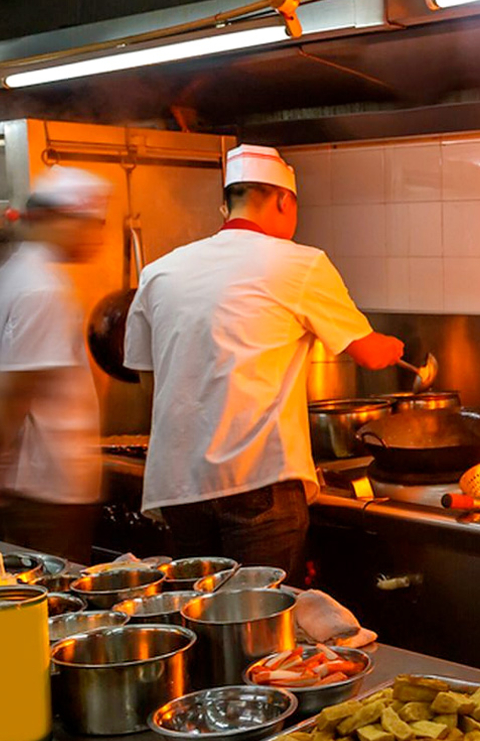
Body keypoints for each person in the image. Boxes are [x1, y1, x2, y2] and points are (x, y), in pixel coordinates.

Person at [123, 144, 403, 583]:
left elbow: (147, 378)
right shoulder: (299, 263)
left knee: (201, 616)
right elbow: (368, 353)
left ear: (229, 202)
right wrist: (393, 346)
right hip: (257, 481)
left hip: (179, 488)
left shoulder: (161, 271)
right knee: (264, 631)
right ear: (283, 200)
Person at [0, 166, 111, 564]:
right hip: (48, 488)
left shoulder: (16, 275)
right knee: (52, 604)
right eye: (91, 224)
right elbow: (16, 385)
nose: (95, 237)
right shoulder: (43, 288)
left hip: (34, 484)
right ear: (60, 220)